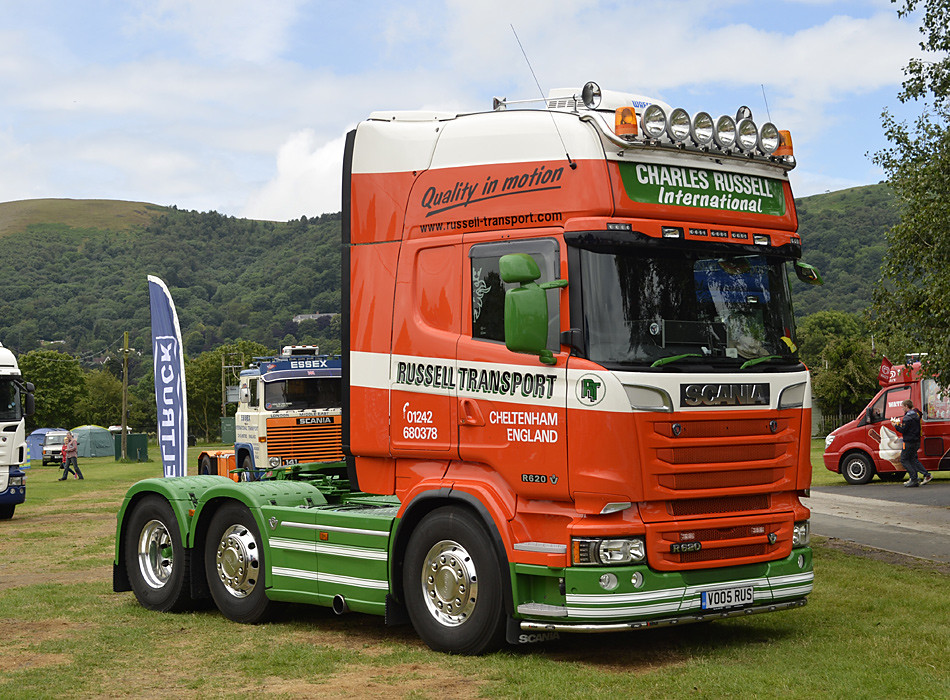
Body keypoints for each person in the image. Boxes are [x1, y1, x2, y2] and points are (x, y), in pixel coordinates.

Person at [891, 399, 932, 487]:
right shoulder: (916, 415)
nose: (902, 409)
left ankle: (914, 478)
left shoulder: (907, 418)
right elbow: (911, 429)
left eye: (903, 407)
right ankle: (923, 475)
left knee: (904, 459)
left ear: (906, 406)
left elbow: (903, 430)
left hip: (908, 441)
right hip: (916, 440)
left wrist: (896, 426)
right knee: (913, 459)